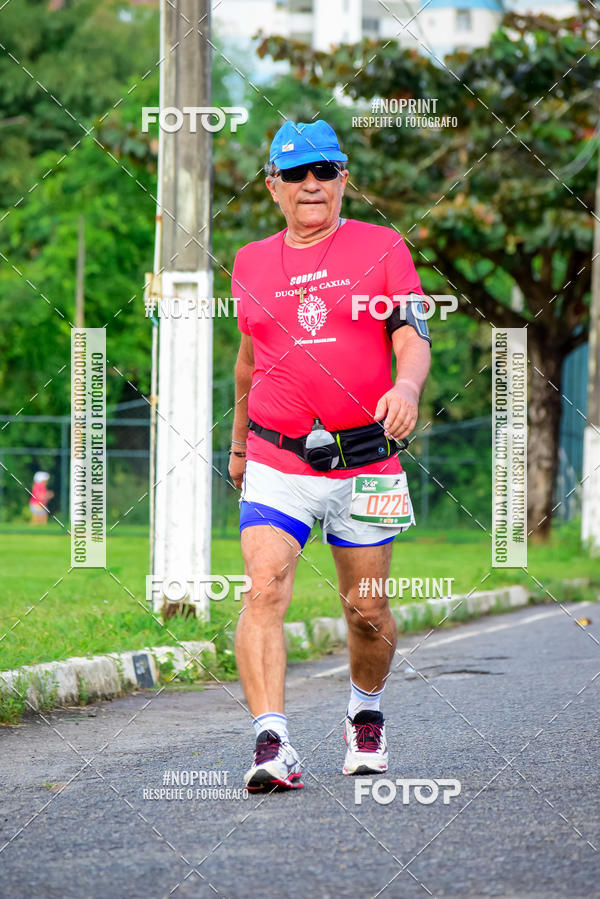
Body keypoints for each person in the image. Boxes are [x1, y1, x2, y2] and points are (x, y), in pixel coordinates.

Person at [229, 120, 431, 792]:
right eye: (295, 174)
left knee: (366, 608)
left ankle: (365, 711)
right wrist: (237, 444)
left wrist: (406, 387)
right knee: (264, 586)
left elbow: (411, 334)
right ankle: (273, 741)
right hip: (276, 458)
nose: (310, 184)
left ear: (344, 179)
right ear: (273, 187)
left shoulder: (382, 247)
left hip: (369, 460)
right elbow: (248, 362)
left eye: (323, 171)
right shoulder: (250, 261)